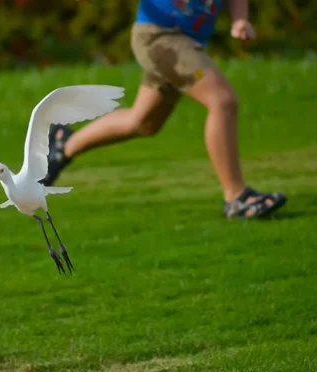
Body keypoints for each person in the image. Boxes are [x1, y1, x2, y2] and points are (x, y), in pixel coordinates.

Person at [40, 0, 287, 219]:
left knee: (144, 122)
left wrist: (240, 19)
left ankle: (64, 145)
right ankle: (236, 197)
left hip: (185, 41)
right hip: (160, 36)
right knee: (222, 101)